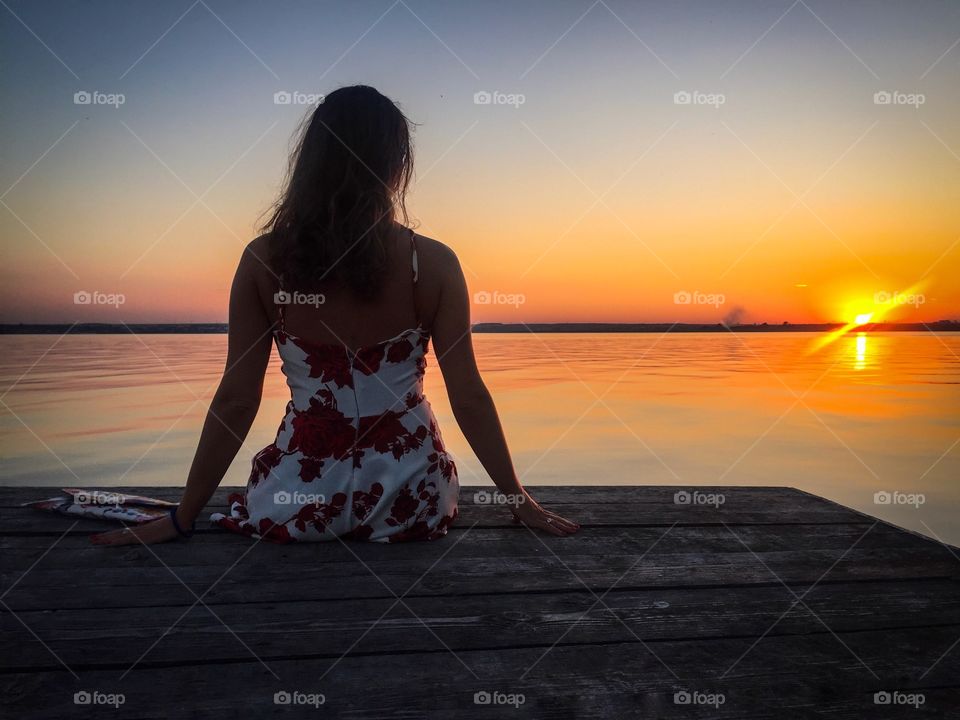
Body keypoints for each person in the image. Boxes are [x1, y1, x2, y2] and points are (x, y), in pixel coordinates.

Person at [92, 85, 578, 546]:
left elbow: (237, 401)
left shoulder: (266, 261)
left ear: (310, 162)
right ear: (397, 164)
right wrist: (519, 501)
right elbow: (468, 395)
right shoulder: (431, 264)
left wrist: (183, 517)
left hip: (298, 504)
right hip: (411, 504)